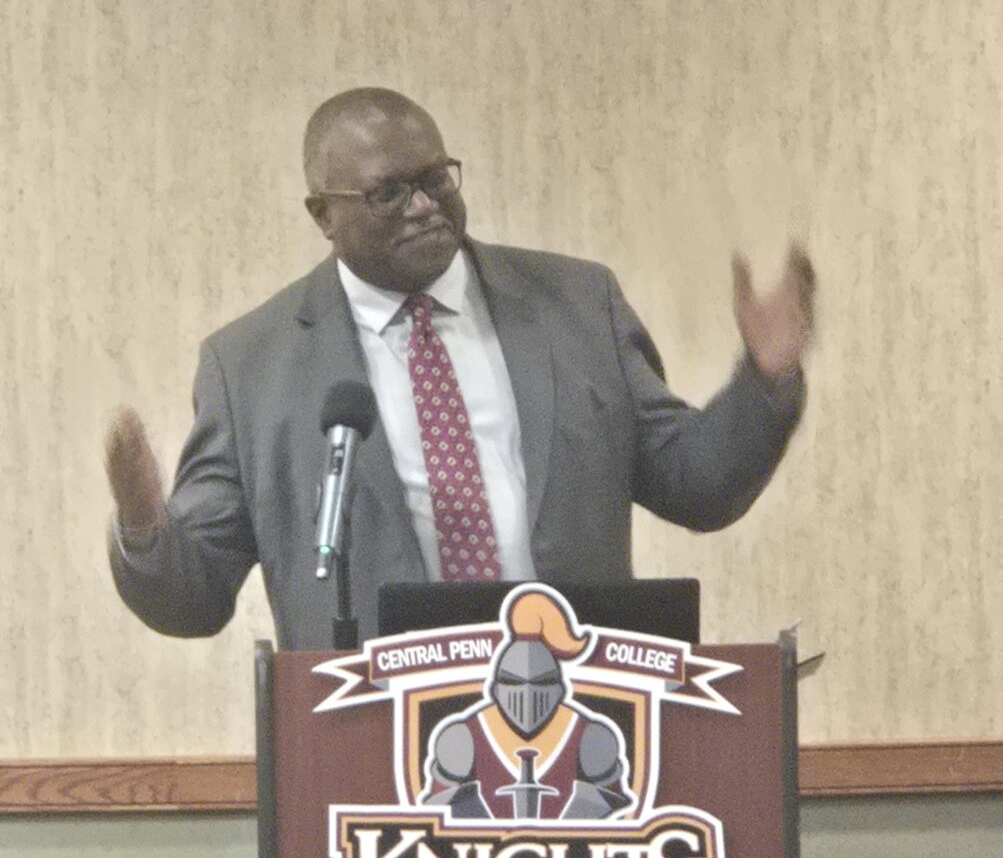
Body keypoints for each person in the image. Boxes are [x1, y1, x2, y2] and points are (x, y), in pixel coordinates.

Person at [106, 87, 814, 650]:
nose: (423, 207)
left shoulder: (574, 306)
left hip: (580, 712)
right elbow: (194, 600)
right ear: (322, 215)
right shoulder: (250, 367)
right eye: (388, 193)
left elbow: (695, 485)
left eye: (435, 179)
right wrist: (144, 529)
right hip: (368, 748)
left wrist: (764, 383)